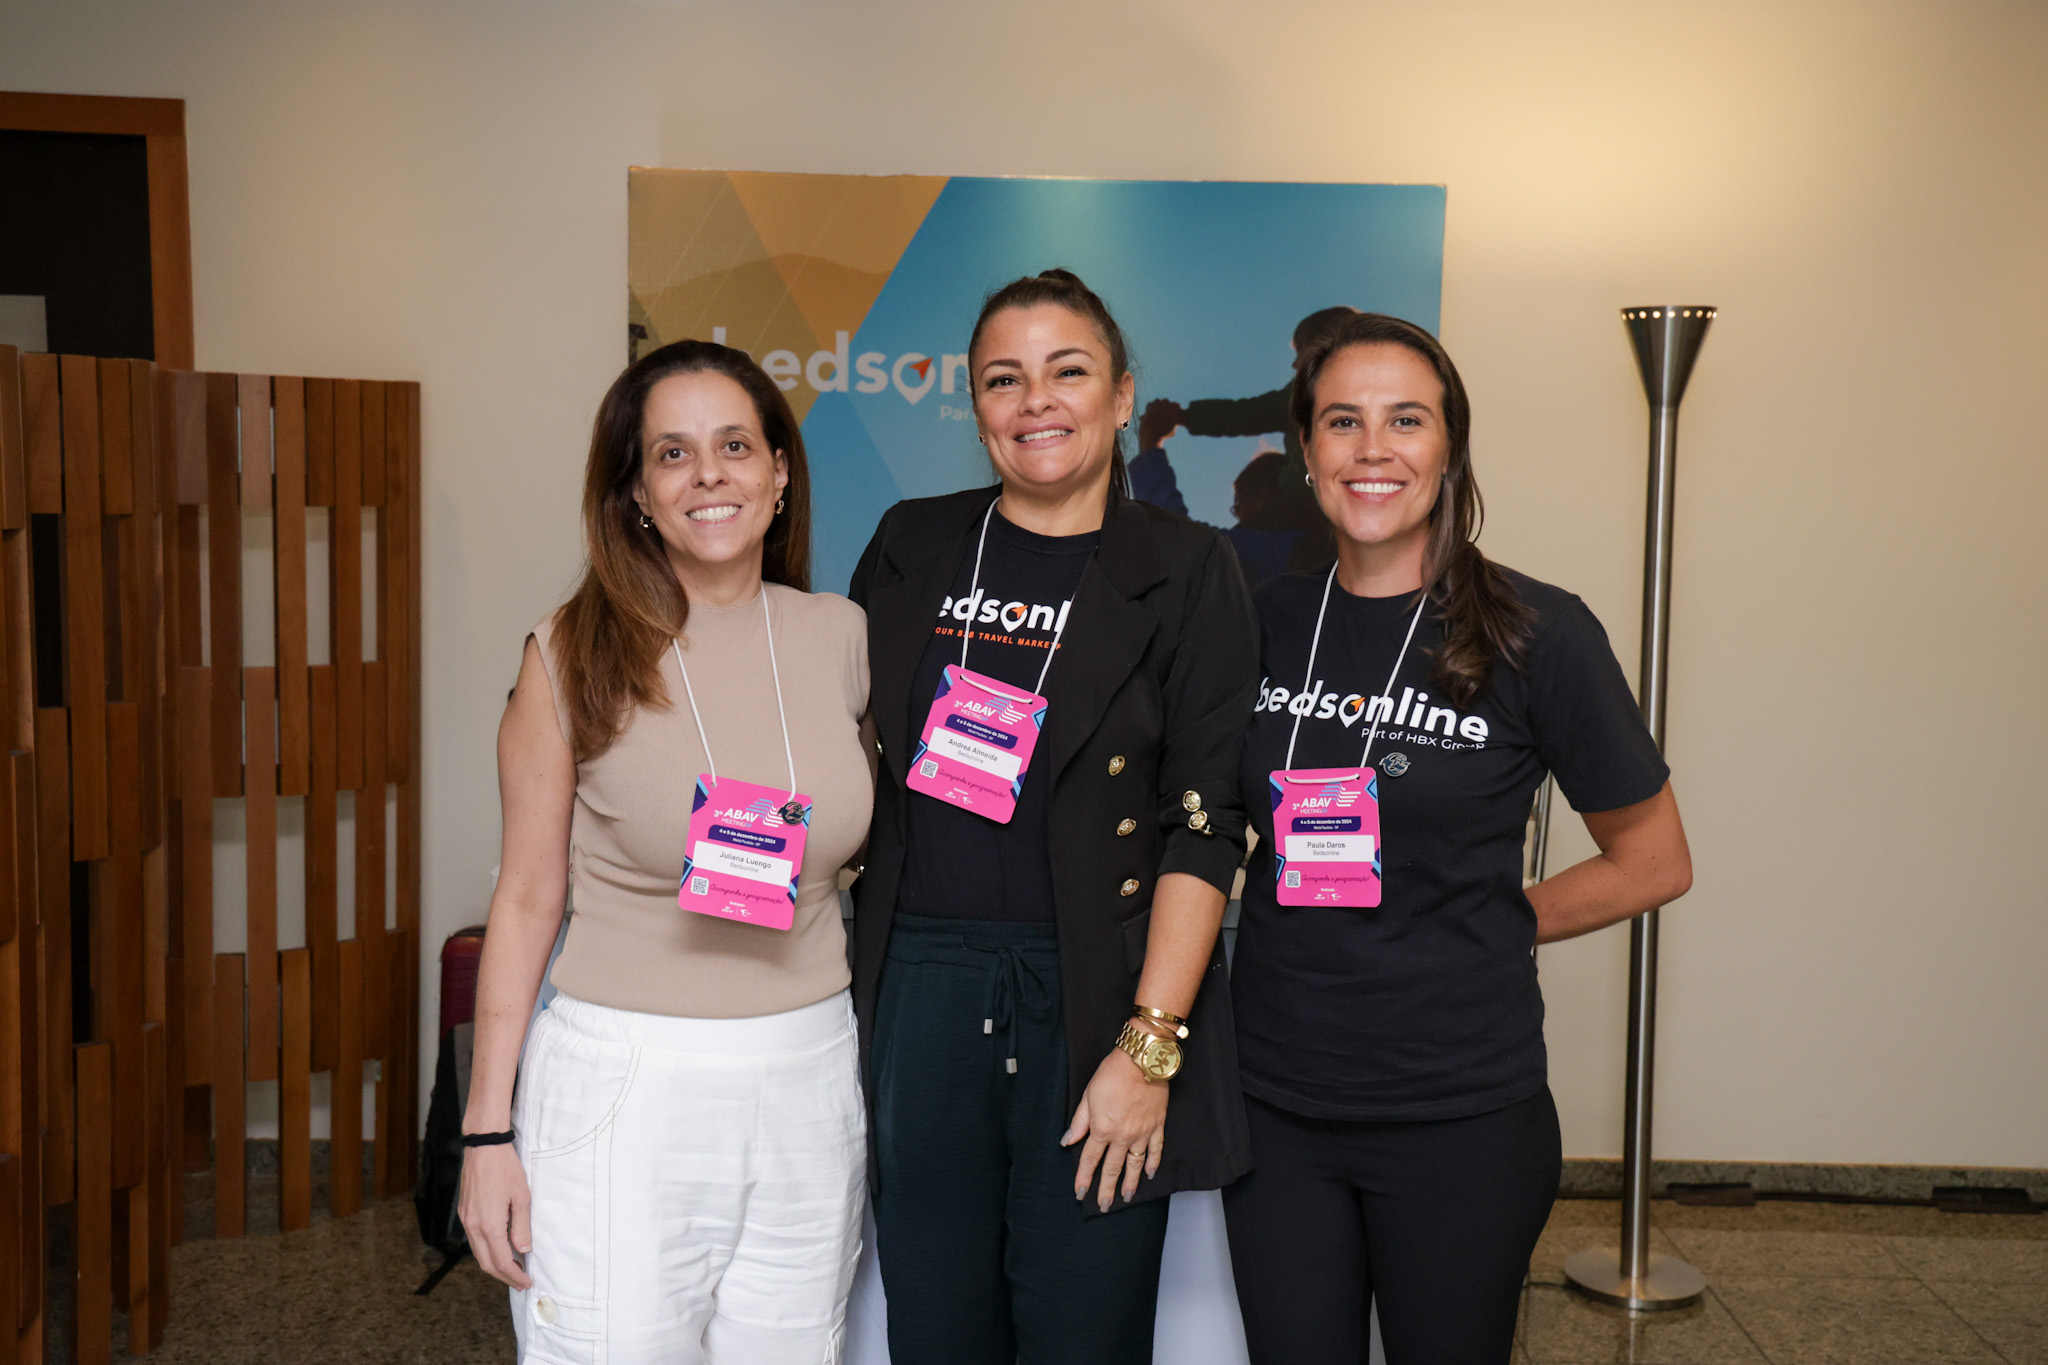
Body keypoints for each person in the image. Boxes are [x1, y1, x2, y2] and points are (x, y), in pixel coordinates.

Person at [1222, 313, 1693, 1364]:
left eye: (1405, 420)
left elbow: (1653, 861)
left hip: (1458, 1113)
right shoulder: (1259, 619)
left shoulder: (1537, 630)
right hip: (1275, 1105)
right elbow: (1200, 821)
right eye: (1342, 421)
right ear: (1305, 453)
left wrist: (1488, 919)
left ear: (1448, 447)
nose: (1372, 448)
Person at [848, 269, 1258, 1365]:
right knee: (931, 1326)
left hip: (1095, 993)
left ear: (1122, 395)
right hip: (917, 991)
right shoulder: (909, 544)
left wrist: (1149, 1047)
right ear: (974, 404)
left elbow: (1204, 824)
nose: (1036, 401)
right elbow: (842, 756)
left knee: (1085, 1326)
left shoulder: (1184, 567)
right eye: (1003, 378)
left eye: (1066, 372)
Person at [457, 340, 873, 1364]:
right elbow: (522, 900)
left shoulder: (844, 637)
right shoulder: (567, 654)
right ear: (637, 492)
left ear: (779, 471)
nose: (709, 475)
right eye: (672, 454)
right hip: (626, 1086)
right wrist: (485, 1134)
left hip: (811, 1078)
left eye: (734, 445)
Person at [1136, 304, 1360, 575]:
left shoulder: (1308, 393)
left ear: (1323, 347)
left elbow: (1244, 413)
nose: (1293, 364)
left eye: (1298, 352)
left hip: (1309, 509)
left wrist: (1177, 420)